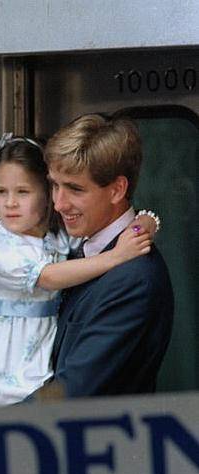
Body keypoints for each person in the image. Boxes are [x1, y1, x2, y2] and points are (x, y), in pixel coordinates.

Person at [0, 136, 157, 408]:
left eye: (23, 192)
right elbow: (48, 276)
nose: (10, 202)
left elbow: (108, 233)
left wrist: (145, 222)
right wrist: (116, 256)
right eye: (2, 192)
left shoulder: (55, 238)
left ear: (45, 194)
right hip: (6, 363)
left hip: (42, 364)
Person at [42, 113, 174, 397]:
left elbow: (72, 390)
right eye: (54, 185)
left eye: (75, 189)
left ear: (117, 189)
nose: (58, 203)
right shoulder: (86, 247)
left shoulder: (133, 280)